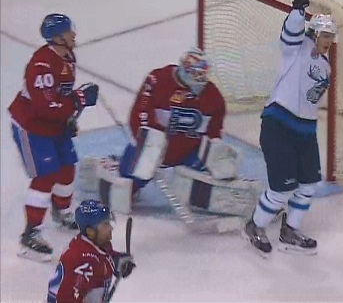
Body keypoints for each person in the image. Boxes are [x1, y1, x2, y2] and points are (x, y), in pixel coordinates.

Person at [80, 48, 260, 218]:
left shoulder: (213, 97)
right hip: (153, 150)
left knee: (208, 182)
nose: (201, 80)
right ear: (185, 71)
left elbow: (214, 132)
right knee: (124, 192)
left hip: (189, 151)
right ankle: (110, 167)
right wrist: (151, 144)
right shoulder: (158, 80)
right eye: (196, 74)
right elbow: (139, 115)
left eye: (203, 75)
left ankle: (235, 195)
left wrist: (216, 153)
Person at [243, 0, 337, 255]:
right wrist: (298, 7)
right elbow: (290, 33)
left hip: (305, 131)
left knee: (309, 184)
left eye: (331, 37)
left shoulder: (326, 65)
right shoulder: (295, 49)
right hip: (279, 124)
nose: (329, 42)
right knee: (281, 189)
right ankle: (255, 226)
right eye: (325, 36)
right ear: (314, 34)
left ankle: (290, 229)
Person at [8, 13, 99, 262]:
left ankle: (62, 212)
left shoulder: (67, 56)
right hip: (32, 127)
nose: (74, 34)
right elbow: (46, 108)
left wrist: (70, 118)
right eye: (70, 31)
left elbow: (60, 98)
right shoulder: (41, 68)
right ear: (59, 37)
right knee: (45, 176)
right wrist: (79, 100)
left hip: (54, 124)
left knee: (68, 168)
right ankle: (30, 235)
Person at [47, 199, 135, 303]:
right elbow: (67, 297)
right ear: (90, 231)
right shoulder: (83, 260)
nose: (110, 228)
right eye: (105, 225)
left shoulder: (98, 243)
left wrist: (118, 261)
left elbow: (103, 258)